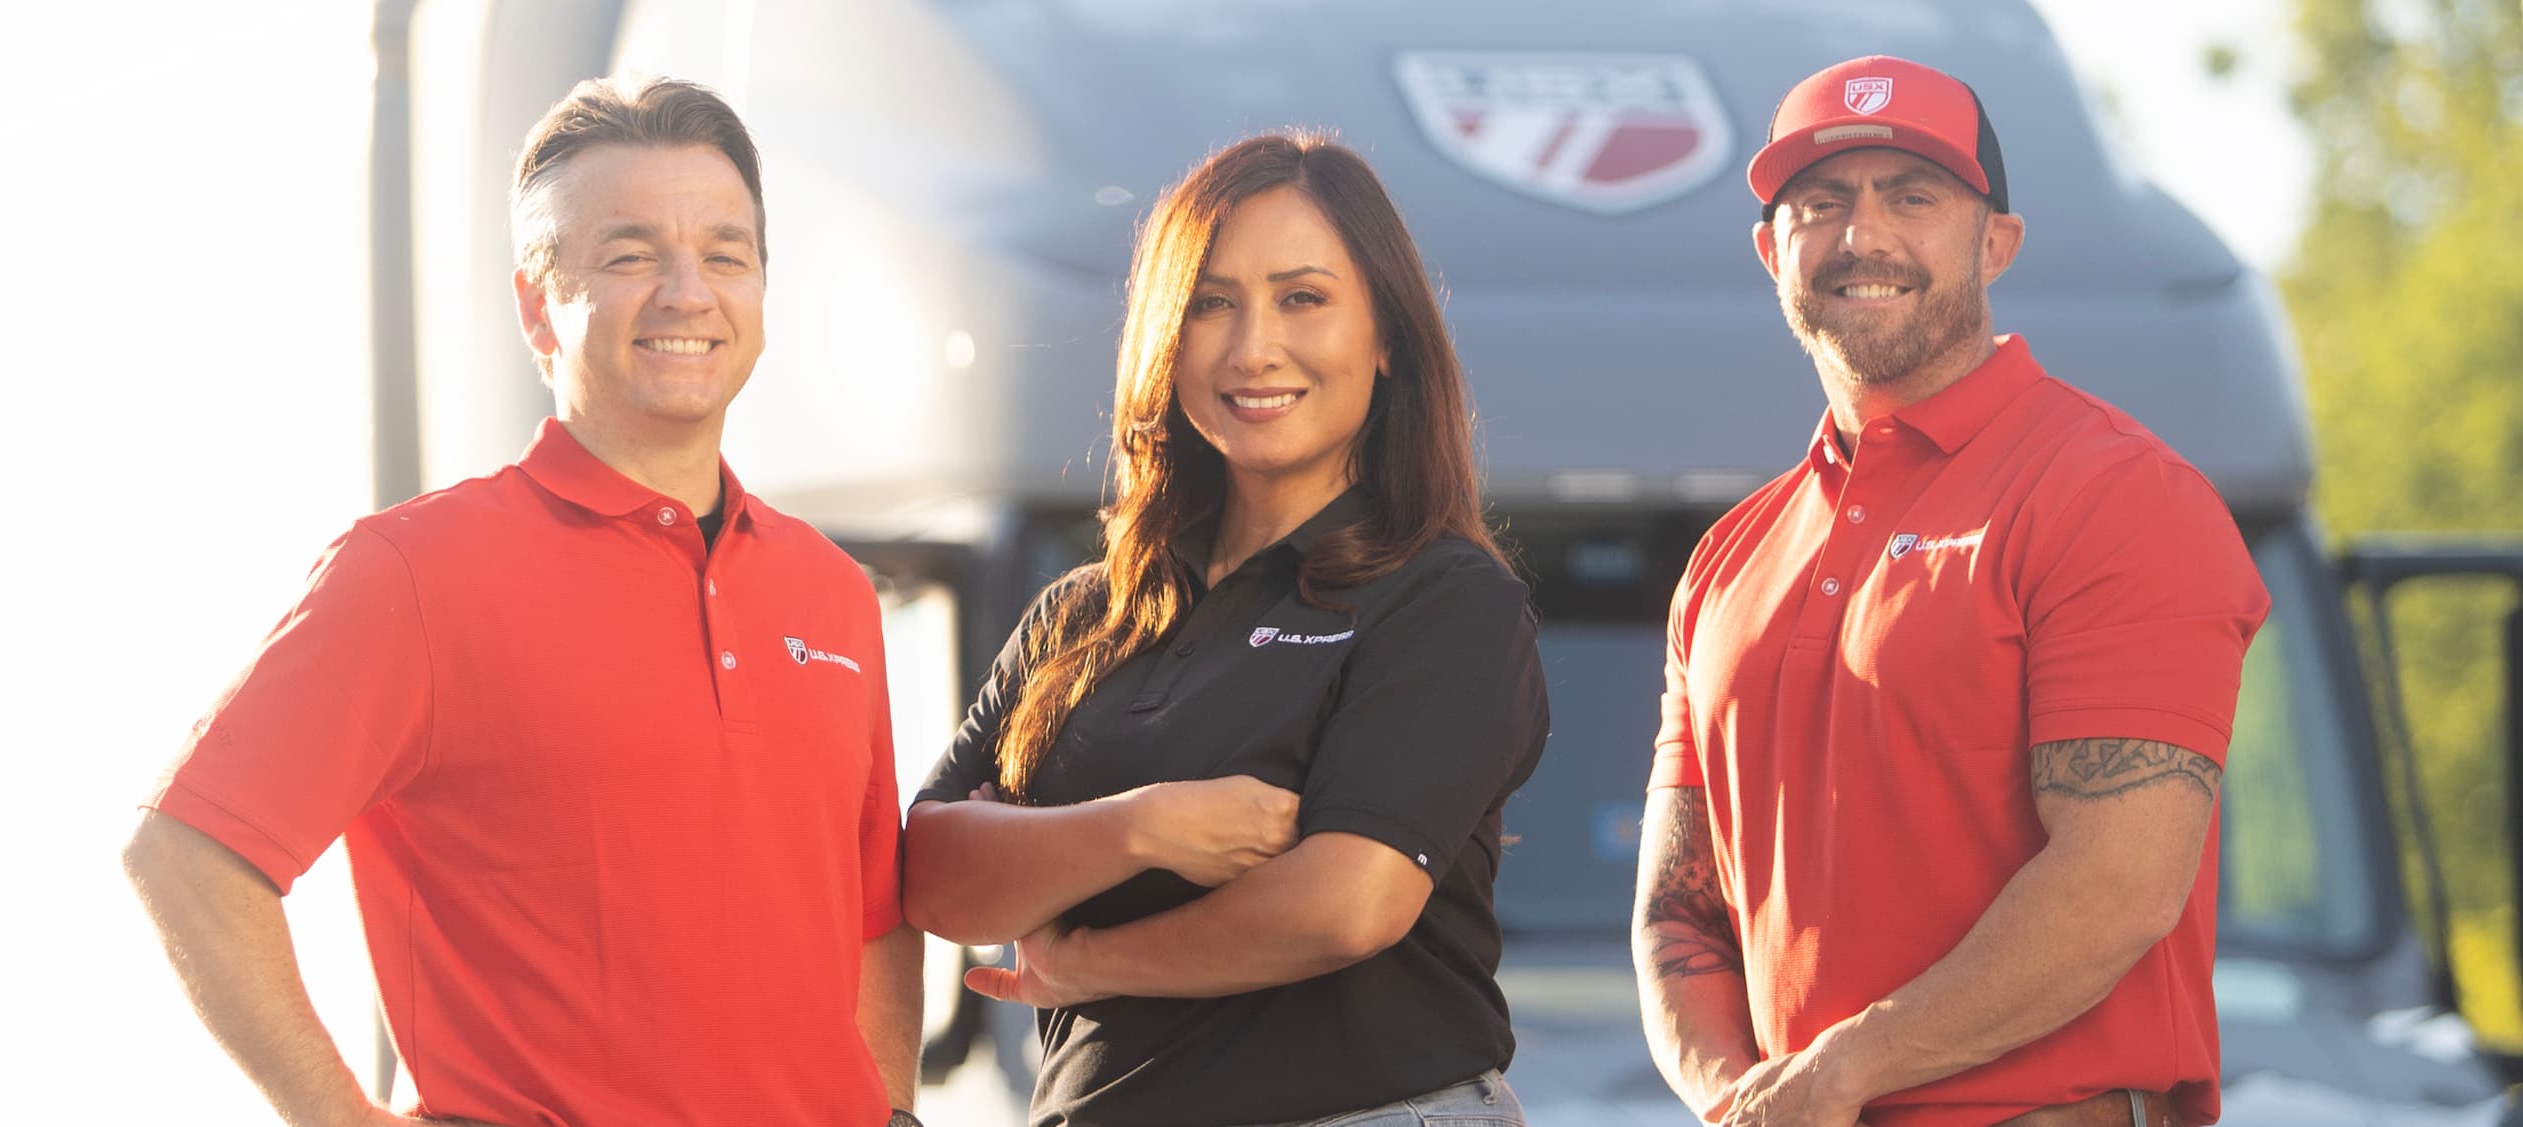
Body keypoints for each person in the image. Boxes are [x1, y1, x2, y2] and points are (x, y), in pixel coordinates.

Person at [121, 76, 924, 1127]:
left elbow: (872, 913)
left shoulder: (830, 590)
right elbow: (187, 852)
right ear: (538, 306)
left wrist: (892, 1110)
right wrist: (337, 1115)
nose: (688, 293)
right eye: (630, 256)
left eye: (726, 255)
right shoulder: (414, 572)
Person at [1631, 56, 2271, 1127]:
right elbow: (1677, 909)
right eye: (1820, 201)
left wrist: (1843, 1070)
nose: (1862, 234)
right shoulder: (1725, 560)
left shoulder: (2116, 494)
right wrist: (1739, 1100)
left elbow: (2120, 883)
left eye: (1912, 196)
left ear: (1996, 243)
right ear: (1771, 250)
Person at [900, 132, 1549, 1127]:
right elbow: (931, 878)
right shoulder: (1079, 615)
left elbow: (1345, 904)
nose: (1253, 348)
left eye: (1302, 298)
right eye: (1210, 303)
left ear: (1387, 337)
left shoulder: (1444, 599)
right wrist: (1143, 824)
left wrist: (1081, 951)